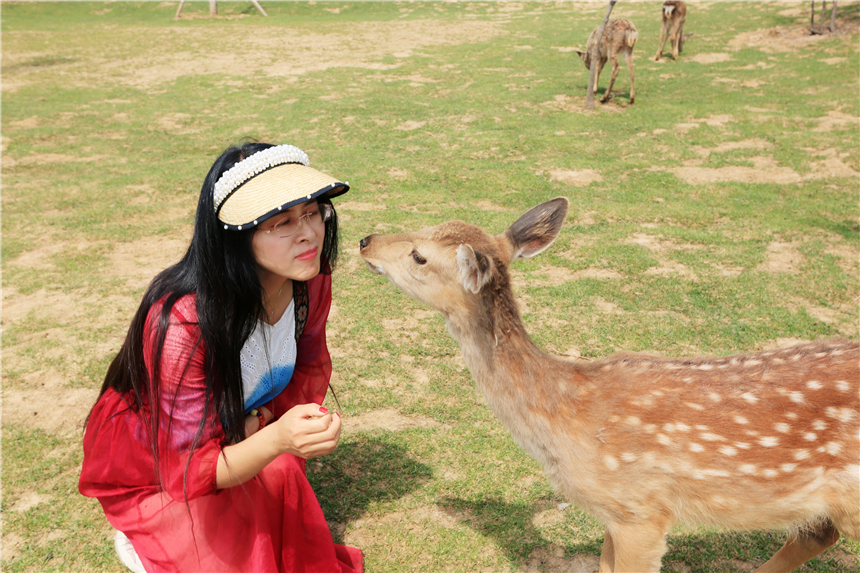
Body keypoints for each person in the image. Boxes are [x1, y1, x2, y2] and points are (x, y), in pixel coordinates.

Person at [79, 142, 362, 573]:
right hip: (157, 461)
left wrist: (271, 427)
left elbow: (308, 366)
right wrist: (276, 438)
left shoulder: (308, 279)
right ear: (237, 237)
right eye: (281, 222)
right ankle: (149, 531)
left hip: (232, 424)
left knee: (281, 473)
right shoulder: (183, 323)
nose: (309, 234)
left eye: (312, 212)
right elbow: (188, 469)